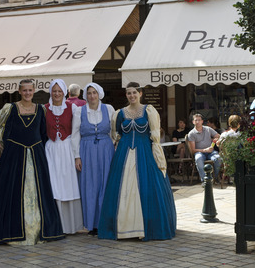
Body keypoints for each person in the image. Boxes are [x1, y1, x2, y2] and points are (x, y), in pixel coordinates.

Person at [0, 79, 64, 245]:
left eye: (30, 90)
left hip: (36, 154)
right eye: (24, 90)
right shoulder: (10, 108)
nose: (27, 93)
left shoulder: (41, 109)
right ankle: (11, 230)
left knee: (39, 191)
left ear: (34, 91)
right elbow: (1, 130)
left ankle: (39, 230)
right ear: (19, 91)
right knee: (10, 190)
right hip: (14, 155)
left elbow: (43, 132)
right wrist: (4, 146)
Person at [98, 82, 176, 241]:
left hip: (145, 152)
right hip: (123, 153)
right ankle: (124, 228)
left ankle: (146, 228)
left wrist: (158, 156)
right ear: (126, 95)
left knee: (147, 188)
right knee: (121, 189)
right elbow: (116, 134)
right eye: (128, 93)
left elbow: (154, 136)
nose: (131, 96)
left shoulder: (149, 111)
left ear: (140, 93)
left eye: (134, 92)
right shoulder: (120, 113)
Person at [71, 82, 115, 236]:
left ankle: (105, 221)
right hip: (86, 150)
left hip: (105, 149)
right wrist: (77, 156)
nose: (92, 96)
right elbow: (75, 134)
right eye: (89, 93)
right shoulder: (79, 111)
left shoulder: (108, 109)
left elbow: (114, 132)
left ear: (99, 93)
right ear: (85, 95)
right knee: (90, 186)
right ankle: (92, 224)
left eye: (94, 92)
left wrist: (114, 149)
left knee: (105, 184)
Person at [45, 79, 84, 234]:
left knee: (69, 185)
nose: (56, 94)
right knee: (54, 185)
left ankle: (71, 226)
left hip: (67, 148)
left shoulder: (72, 107)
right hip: (51, 150)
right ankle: (56, 225)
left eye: (59, 91)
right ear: (50, 92)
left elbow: (77, 131)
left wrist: (77, 155)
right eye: (54, 91)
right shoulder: (44, 109)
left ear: (64, 92)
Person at [187, 114, 222, 184]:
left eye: (199, 120)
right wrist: (204, 150)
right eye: (196, 120)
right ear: (193, 122)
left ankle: (214, 178)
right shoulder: (191, 133)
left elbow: (218, 136)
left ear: (202, 121)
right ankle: (205, 180)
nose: (197, 122)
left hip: (211, 152)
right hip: (199, 152)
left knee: (218, 158)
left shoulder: (208, 129)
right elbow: (193, 150)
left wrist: (214, 140)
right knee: (198, 158)